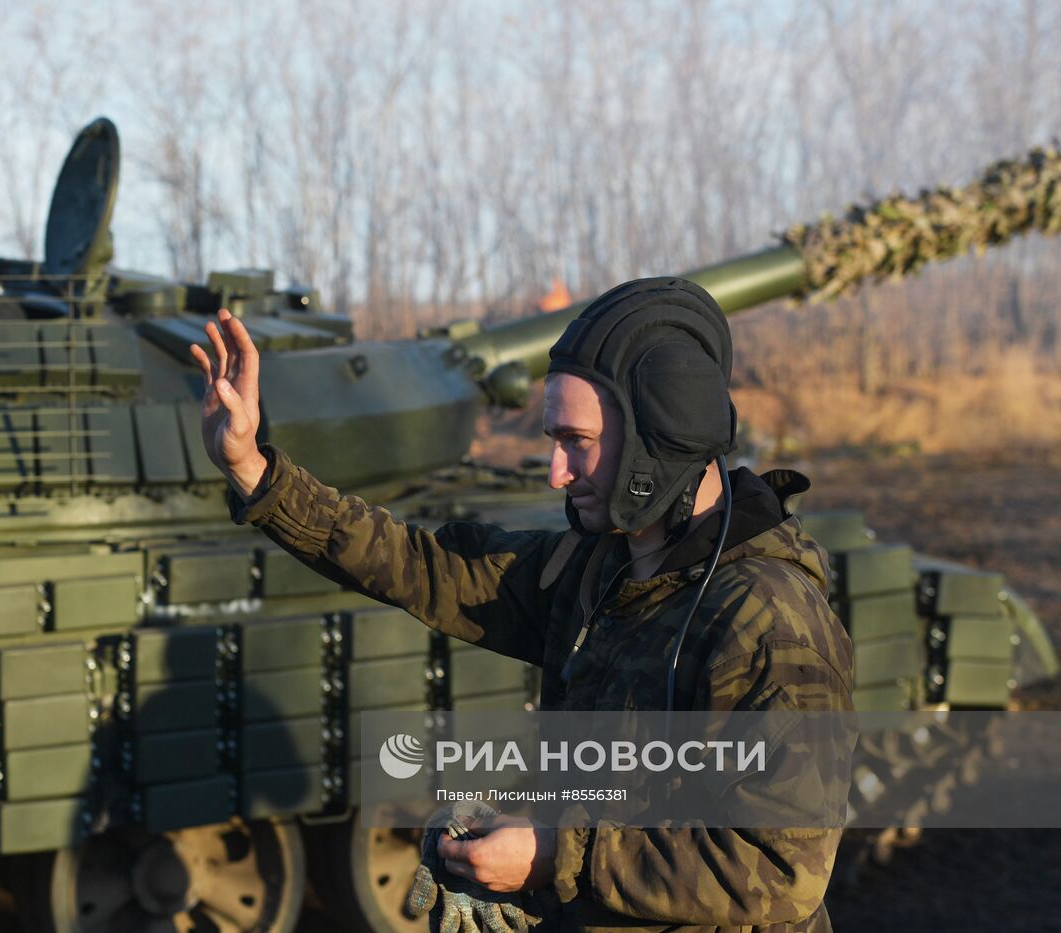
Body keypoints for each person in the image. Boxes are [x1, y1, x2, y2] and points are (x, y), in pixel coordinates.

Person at [190, 277, 853, 932]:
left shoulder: (770, 624)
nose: (555, 473)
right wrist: (255, 470)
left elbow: (778, 870)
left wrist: (551, 854)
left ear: (660, 436)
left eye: (577, 441)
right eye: (553, 441)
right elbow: (425, 567)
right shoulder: (598, 568)